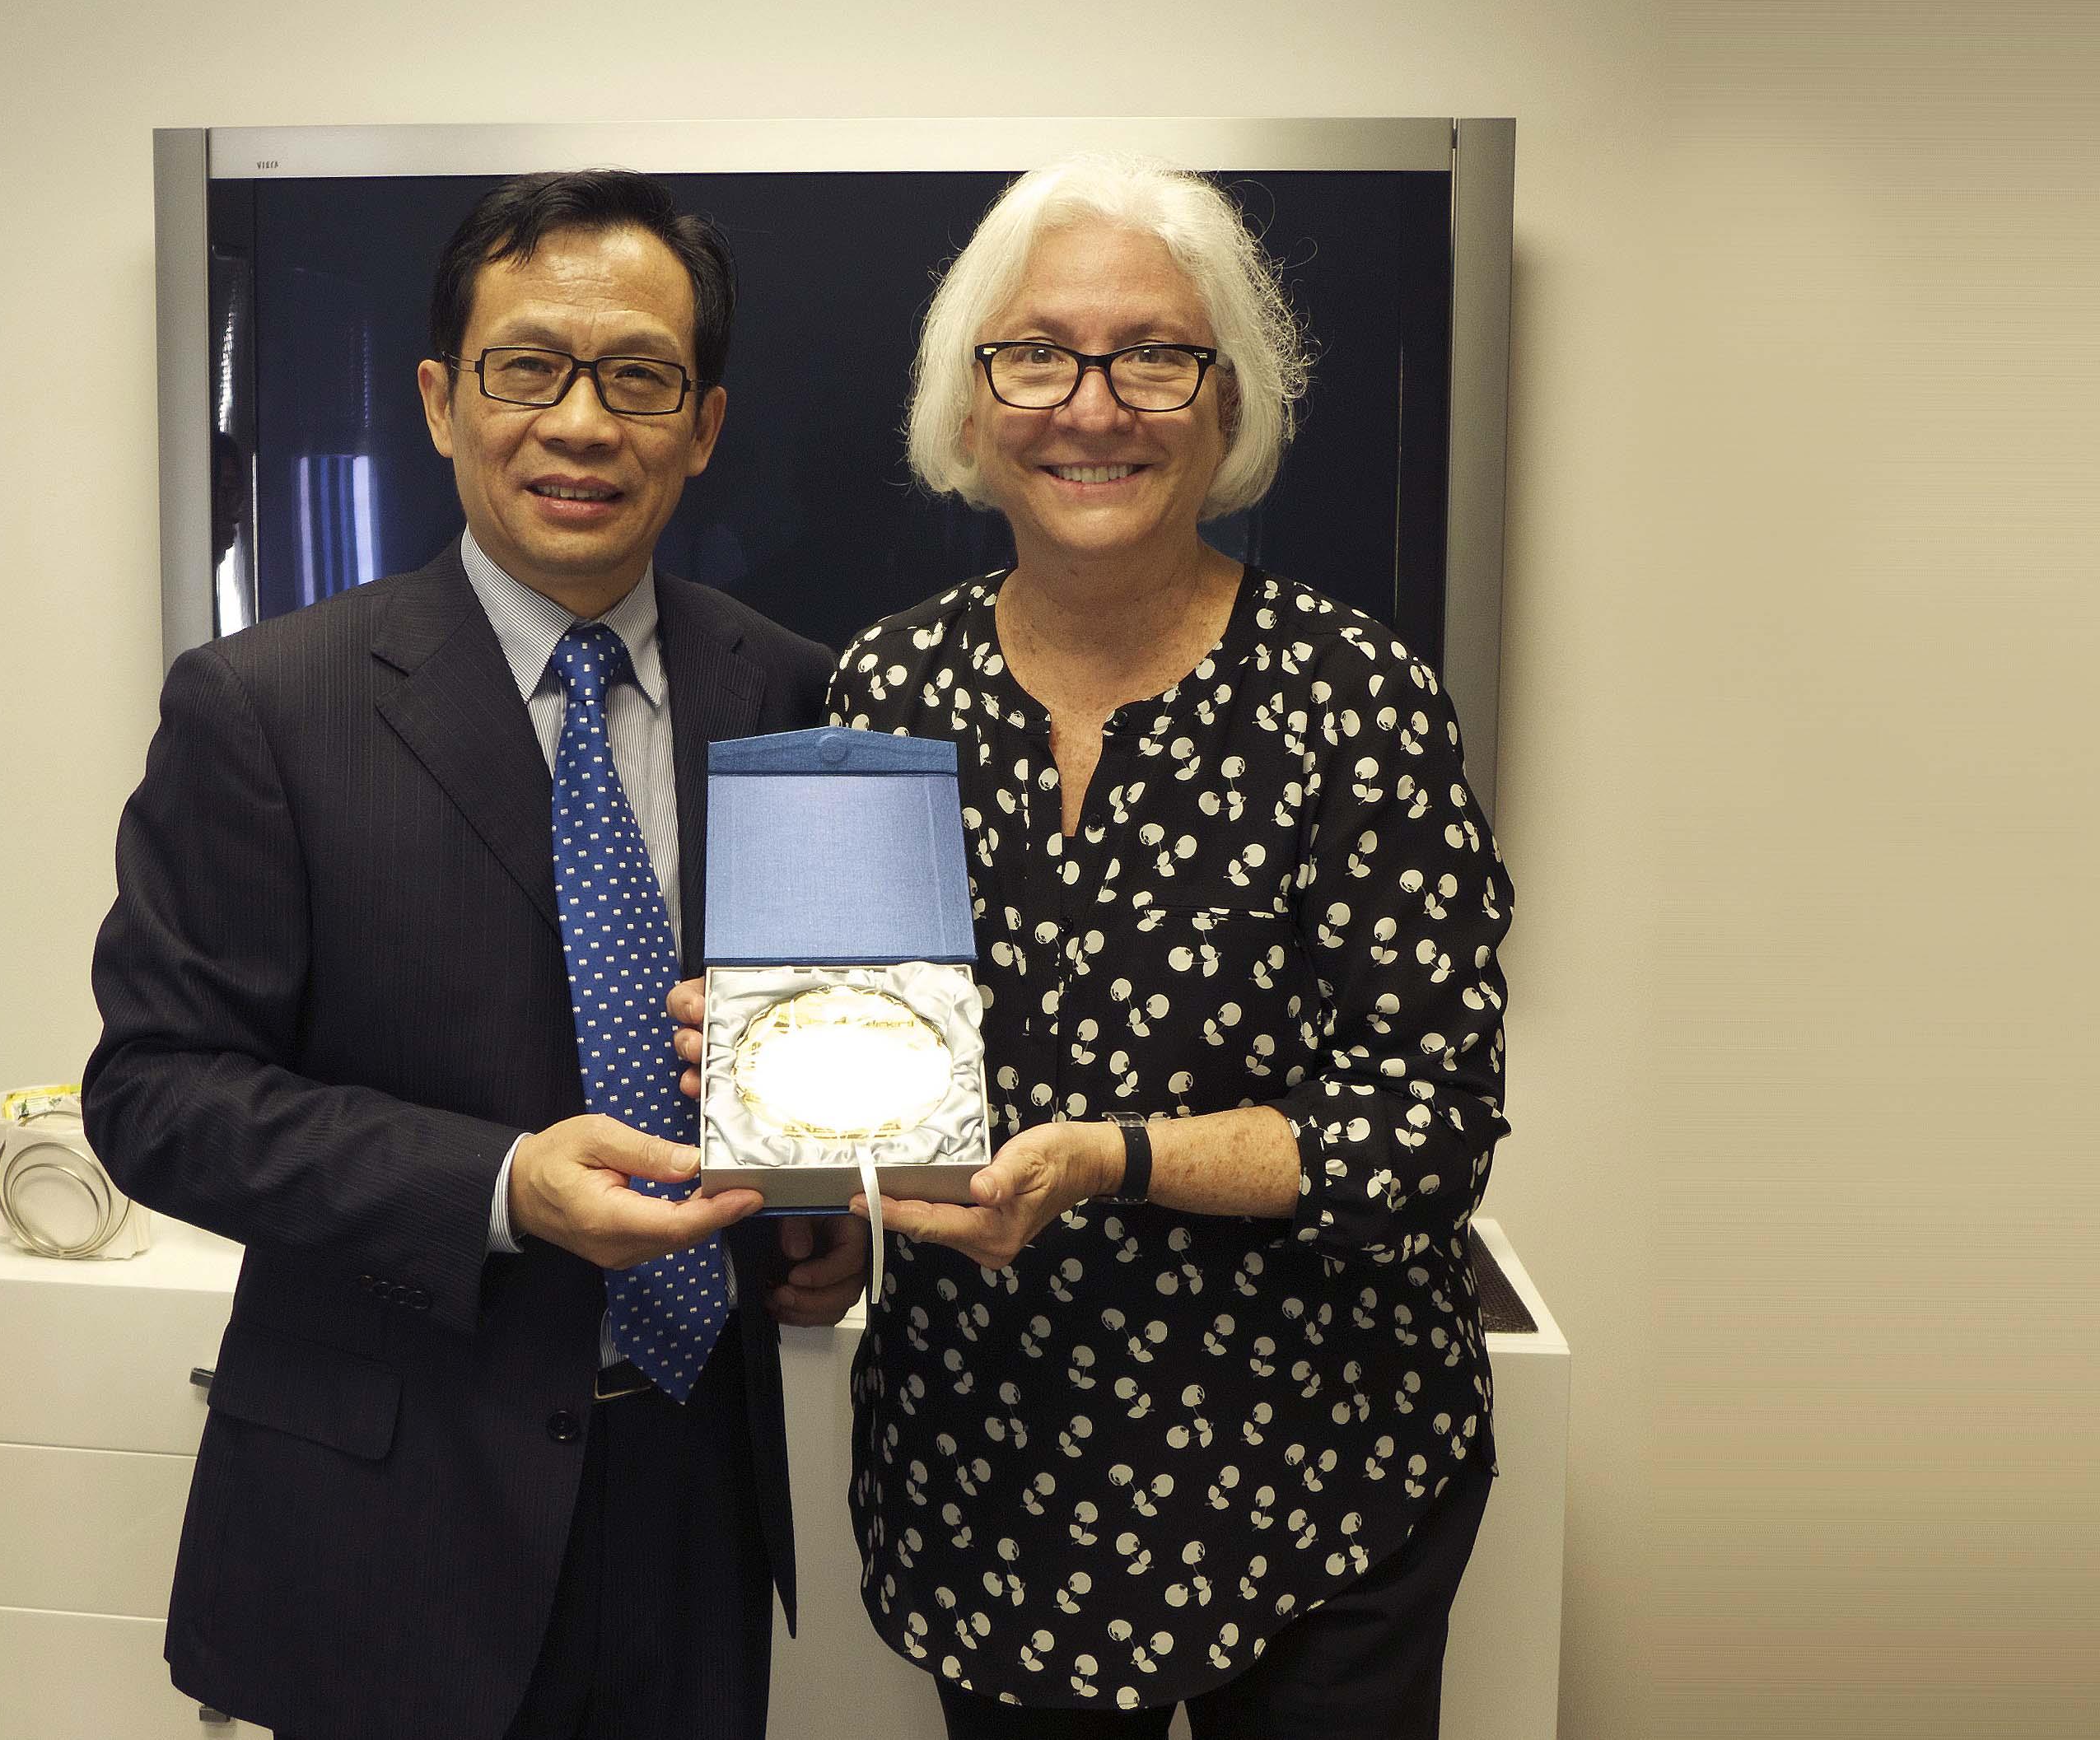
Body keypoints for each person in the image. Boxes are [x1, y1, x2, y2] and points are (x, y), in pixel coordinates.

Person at [85, 169, 861, 1740]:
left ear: (703, 424)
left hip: (698, 1495)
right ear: (443, 402)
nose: (581, 422)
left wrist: (815, 1214)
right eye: (529, 368)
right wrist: (500, 1185)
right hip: (390, 1516)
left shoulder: (792, 691)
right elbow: (156, 1094)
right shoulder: (265, 706)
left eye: (639, 376)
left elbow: (805, 1035)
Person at [816, 157, 1514, 1738]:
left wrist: (1114, 1157)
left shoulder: (1360, 703)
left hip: (1321, 1482)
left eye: (1154, 356)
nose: (1093, 405)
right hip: (994, 1476)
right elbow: (861, 1069)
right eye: (1037, 355)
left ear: (1226, 403)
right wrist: (804, 1158)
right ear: (971, 403)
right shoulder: (882, 693)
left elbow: (1427, 1129)